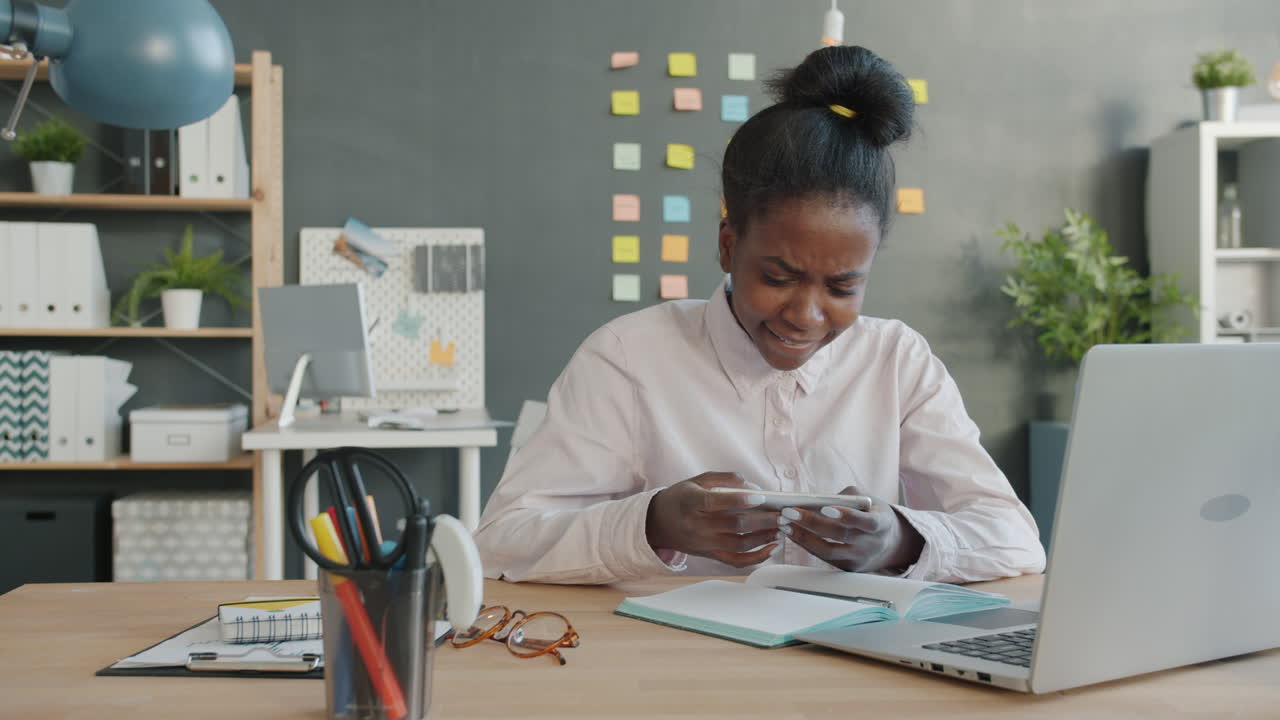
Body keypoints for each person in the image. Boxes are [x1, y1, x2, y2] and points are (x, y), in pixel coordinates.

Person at [474, 45, 1045, 585]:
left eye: (843, 286)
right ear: (728, 246)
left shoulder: (897, 361)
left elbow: (1017, 540)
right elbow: (501, 541)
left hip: (849, 656)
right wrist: (654, 523)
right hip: (672, 657)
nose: (806, 315)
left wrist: (900, 540)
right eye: (778, 277)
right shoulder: (629, 358)